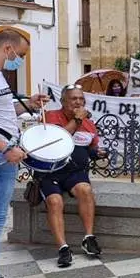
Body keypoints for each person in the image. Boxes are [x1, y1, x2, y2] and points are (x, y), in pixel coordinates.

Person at [0, 29, 48, 278]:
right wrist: (5, 148)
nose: (20, 59)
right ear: (8, 48)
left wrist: (28, 105)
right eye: (20, 54)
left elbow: (2, 113)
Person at [41, 86, 105, 268]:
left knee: (85, 189)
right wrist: (77, 120)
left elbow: (90, 148)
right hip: (50, 172)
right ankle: (63, 248)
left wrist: (97, 153)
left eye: (81, 99)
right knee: (54, 201)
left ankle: (88, 238)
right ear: (63, 101)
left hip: (75, 172)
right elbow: (58, 140)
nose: (78, 102)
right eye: (73, 99)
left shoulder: (89, 124)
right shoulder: (50, 117)